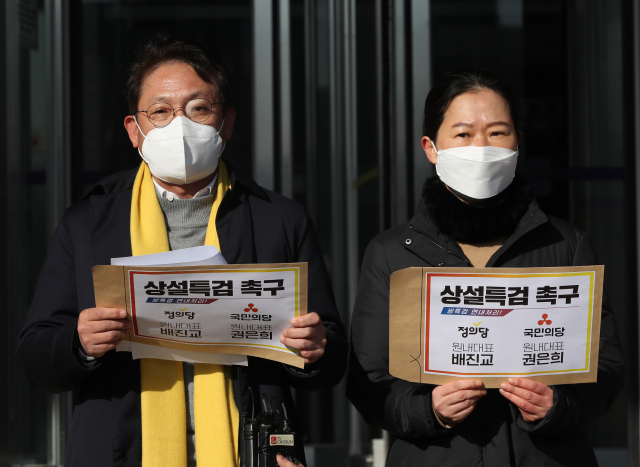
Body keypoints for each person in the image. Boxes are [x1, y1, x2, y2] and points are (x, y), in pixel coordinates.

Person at [16, 35, 347, 467]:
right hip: (122, 453)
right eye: (161, 112)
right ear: (134, 130)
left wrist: (314, 347)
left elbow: (334, 355)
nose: (181, 126)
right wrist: (79, 344)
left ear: (225, 124)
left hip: (252, 453)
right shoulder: (89, 223)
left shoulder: (277, 220)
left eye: (198, 108)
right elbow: (35, 355)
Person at [346, 69, 625, 466]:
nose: (481, 146)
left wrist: (557, 407)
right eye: (462, 134)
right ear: (431, 147)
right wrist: (430, 411)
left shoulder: (566, 244)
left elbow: (607, 367)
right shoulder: (392, 252)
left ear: (517, 144)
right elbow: (368, 381)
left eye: (497, 132)